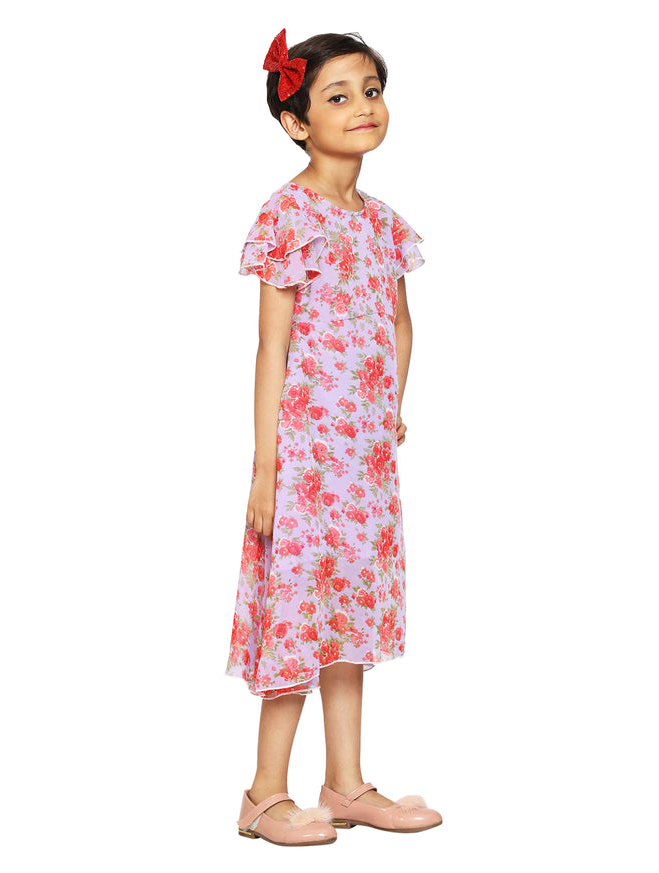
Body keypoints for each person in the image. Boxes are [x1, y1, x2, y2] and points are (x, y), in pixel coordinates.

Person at [225, 29, 442, 846]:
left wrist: (390, 407)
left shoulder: (383, 224)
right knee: (298, 613)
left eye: (371, 90)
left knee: (350, 609)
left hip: (364, 461)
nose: (363, 107)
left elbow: (399, 323)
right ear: (296, 122)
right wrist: (267, 468)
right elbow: (271, 346)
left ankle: (345, 783)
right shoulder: (288, 215)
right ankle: (263, 792)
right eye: (338, 95)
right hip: (306, 461)